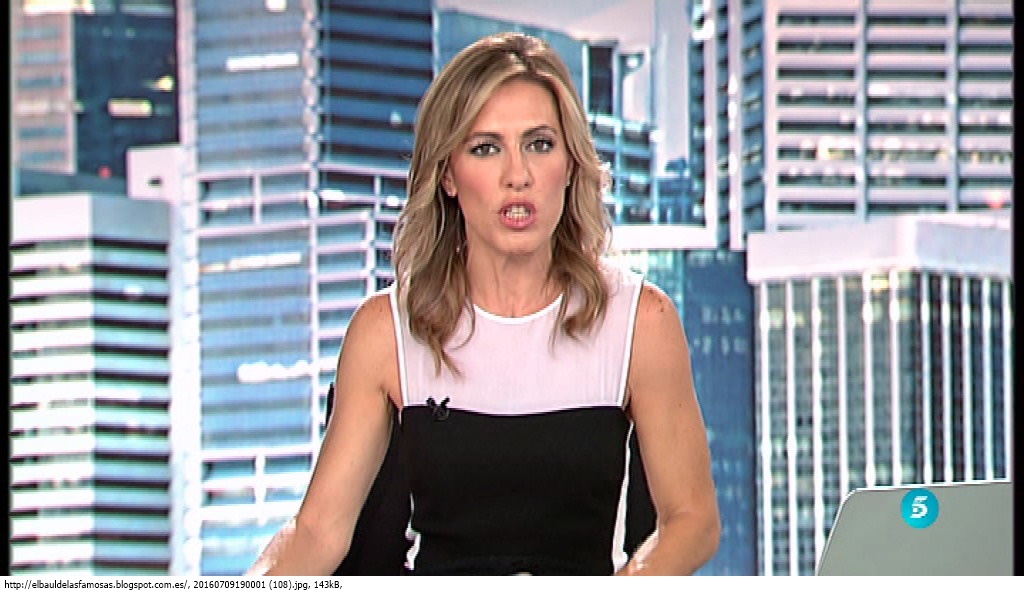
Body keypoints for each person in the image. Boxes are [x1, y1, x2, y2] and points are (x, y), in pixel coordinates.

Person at [249, 31, 719, 576]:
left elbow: (692, 521)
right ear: (448, 175)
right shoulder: (385, 331)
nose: (518, 175)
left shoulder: (641, 322)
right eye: (486, 148)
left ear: (571, 164)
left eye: (539, 144)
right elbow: (318, 531)